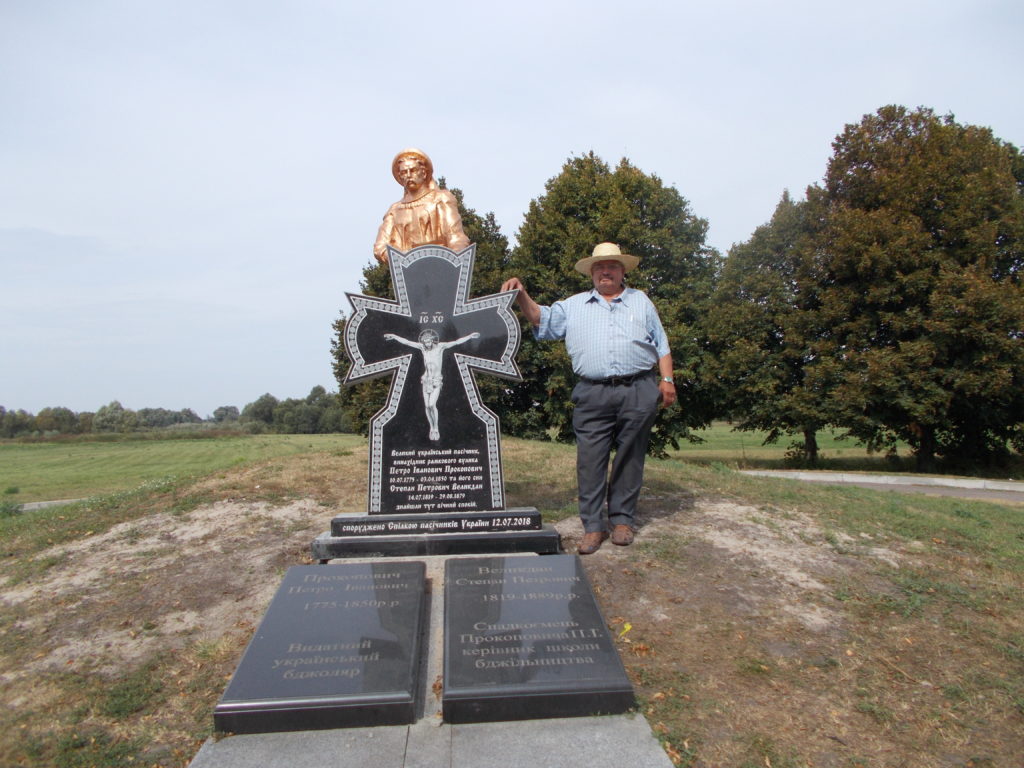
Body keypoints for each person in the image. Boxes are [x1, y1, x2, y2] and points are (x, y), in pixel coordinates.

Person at [501, 243, 676, 554]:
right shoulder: (574, 305)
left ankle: (622, 521)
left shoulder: (641, 301)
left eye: (611, 266)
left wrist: (666, 380)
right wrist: (521, 296)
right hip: (592, 392)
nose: (604, 271)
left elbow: (661, 343)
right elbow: (541, 319)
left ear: (623, 271)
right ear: (592, 274)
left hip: (639, 388)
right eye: (598, 267)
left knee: (630, 457)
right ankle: (593, 527)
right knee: (590, 461)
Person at [373, 148, 470, 264]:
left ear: (423, 173)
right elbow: (380, 248)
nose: (408, 175)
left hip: (440, 266)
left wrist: (453, 261)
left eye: (413, 170)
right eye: (404, 172)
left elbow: (456, 237)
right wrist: (405, 260)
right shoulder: (394, 210)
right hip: (407, 272)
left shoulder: (441, 200)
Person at [383, 329, 480, 441]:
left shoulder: (440, 347)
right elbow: (407, 342)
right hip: (426, 380)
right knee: (427, 406)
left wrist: (470, 336)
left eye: (429, 342)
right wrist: (394, 335)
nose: (427, 344)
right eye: (425, 342)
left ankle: (436, 427)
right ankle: (432, 428)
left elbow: (456, 342)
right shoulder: (423, 348)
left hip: (436, 380)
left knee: (431, 404)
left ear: (433, 340)